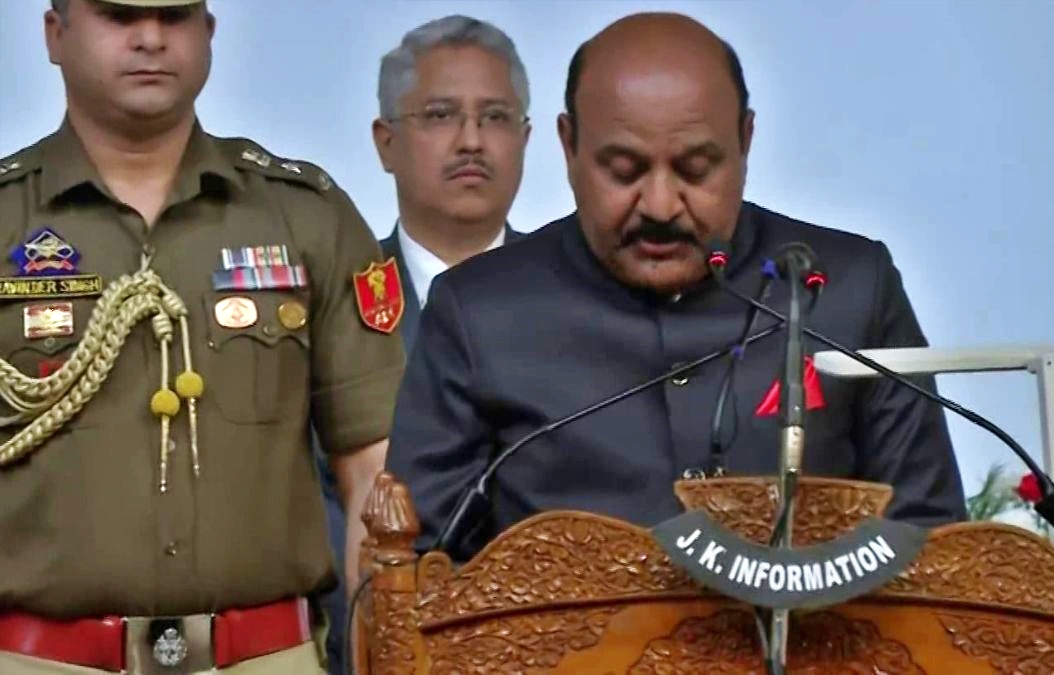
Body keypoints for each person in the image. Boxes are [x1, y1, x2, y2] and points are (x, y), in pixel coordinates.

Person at [385, 11, 968, 562]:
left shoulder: (848, 288)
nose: (660, 205)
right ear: (568, 147)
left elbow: (931, 540)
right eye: (623, 170)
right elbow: (418, 572)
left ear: (745, 140)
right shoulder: (479, 311)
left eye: (694, 169)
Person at [0, 1, 404, 673]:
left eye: (174, 16)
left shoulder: (303, 215)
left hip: (268, 658)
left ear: (209, 34)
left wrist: (379, 657)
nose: (151, 38)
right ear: (55, 34)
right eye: (118, 16)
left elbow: (375, 476)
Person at [312, 15, 531, 674]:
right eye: (440, 115)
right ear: (385, 142)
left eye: (494, 118)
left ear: (525, 139)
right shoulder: (332, 309)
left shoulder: (576, 305)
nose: (470, 140)